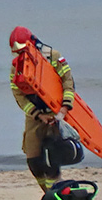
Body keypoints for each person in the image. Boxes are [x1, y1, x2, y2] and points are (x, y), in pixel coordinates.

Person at [9, 26, 76, 191]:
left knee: (53, 157)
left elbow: (68, 82)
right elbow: (18, 95)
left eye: (23, 50)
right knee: (33, 160)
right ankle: (49, 193)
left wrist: (64, 108)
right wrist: (38, 115)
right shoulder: (16, 66)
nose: (21, 55)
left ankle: (58, 193)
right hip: (35, 116)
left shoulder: (52, 56)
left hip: (56, 112)